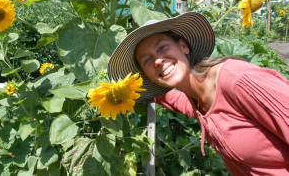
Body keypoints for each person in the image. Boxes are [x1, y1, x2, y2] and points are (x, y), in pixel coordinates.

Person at [107, 12, 289, 176]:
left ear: (184, 46)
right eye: (147, 60)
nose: (157, 61)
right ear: (146, 75)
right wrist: (127, 92)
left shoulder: (238, 80)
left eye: (162, 48)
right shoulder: (198, 97)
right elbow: (180, 102)